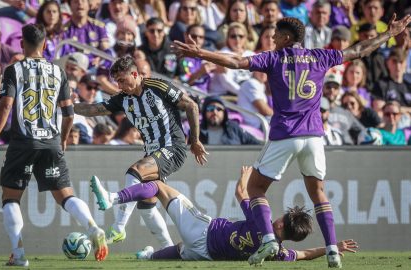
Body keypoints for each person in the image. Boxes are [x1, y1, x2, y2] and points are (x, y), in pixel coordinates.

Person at [172, 14, 411, 267]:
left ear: (286, 38)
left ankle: (268, 240)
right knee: (318, 193)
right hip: (315, 136)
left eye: (276, 35)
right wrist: (389, 34)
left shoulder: (274, 58)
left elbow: (236, 61)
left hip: (286, 134)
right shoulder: (321, 56)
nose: (272, 38)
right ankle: (332, 249)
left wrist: (201, 54)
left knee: (255, 188)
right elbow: (360, 49)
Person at [0, 24, 108, 266]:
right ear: (44, 45)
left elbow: (6, 105)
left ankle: (18, 255)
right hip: (51, 141)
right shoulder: (58, 71)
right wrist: (61, 139)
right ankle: (92, 227)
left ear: (22, 44)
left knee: (10, 198)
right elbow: (69, 114)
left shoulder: (13, 70)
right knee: (65, 195)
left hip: (23, 142)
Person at [73, 55, 208, 248]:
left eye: (122, 80)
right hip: (153, 154)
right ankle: (168, 249)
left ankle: (119, 226)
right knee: (147, 207)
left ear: (135, 74)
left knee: (134, 171)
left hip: (172, 148)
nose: (119, 85)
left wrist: (194, 140)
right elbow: (94, 109)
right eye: (117, 81)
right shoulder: (123, 99)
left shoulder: (157, 87)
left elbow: (191, 105)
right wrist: (67, 106)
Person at [90, 166, 358, 261]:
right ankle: (148, 257)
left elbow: (240, 194)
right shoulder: (277, 253)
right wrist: (330, 247)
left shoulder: (260, 222)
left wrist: (244, 176)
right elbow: (301, 255)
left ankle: (112, 198)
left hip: (205, 231)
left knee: (159, 187)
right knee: (182, 251)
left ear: (280, 222)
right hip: (207, 255)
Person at [323, 73, 365, 144]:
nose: (332, 90)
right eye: (328, 87)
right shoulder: (316, 112)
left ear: (339, 90)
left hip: (348, 149)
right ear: (322, 88)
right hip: (327, 148)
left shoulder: (346, 112)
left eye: (335, 87)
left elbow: (362, 131)